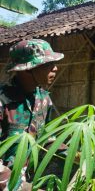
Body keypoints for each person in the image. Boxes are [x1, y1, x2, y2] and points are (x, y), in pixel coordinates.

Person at [0, 39, 64, 190]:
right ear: (28, 69)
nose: (55, 69)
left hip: (26, 177)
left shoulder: (43, 99)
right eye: (48, 65)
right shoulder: (3, 101)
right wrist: (22, 187)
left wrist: (72, 153)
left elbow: (46, 137)